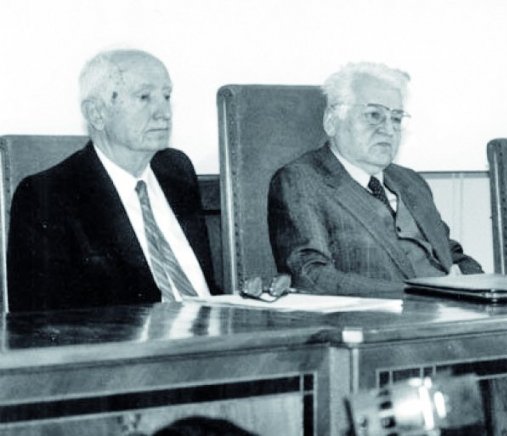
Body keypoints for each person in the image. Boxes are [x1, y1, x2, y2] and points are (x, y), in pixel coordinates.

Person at [7, 49, 220, 312]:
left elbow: (202, 288)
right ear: (96, 113)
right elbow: (42, 321)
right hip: (131, 338)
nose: (164, 112)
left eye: (166, 96)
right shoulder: (49, 196)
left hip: (216, 332)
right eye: (144, 97)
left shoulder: (176, 170)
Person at [268, 62, 482, 296]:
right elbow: (310, 275)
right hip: (386, 315)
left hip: (455, 308)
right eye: (374, 115)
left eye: (396, 119)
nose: (389, 130)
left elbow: (451, 254)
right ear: (332, 121)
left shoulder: (411, 181)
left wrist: (482, 287)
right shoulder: (302, 180)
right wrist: (425, 292)